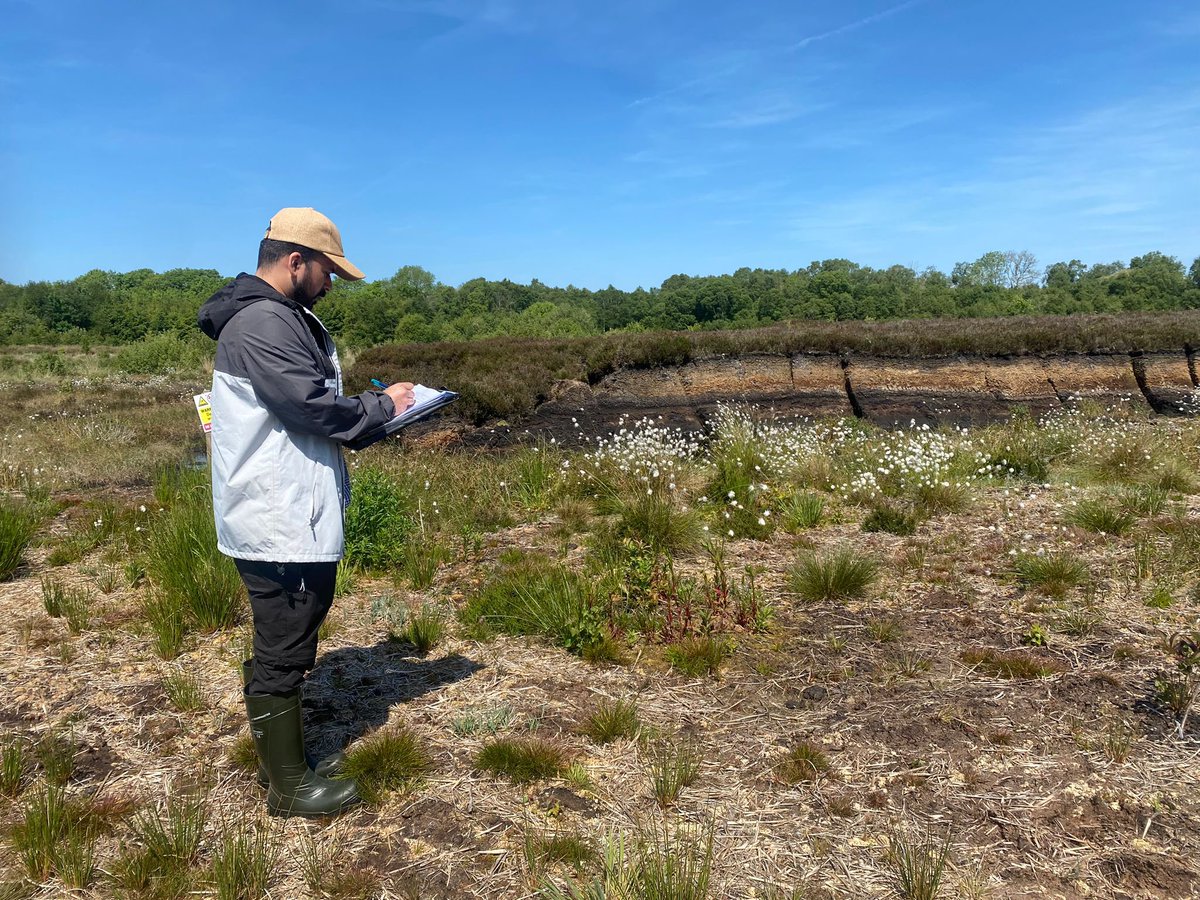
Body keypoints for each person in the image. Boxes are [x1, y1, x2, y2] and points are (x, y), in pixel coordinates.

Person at [198, 207, 414, 817]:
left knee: (294, 624)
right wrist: (383, 408)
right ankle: (288, 786)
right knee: (285, 633)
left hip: (287, 510)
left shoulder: (281, 317)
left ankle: (287, 761)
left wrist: (369, 410)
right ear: (296, 260)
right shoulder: (264, 323)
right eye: (326, 272)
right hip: (275, 517)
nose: (330, 285)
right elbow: (313, 408)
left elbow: (308, 405)